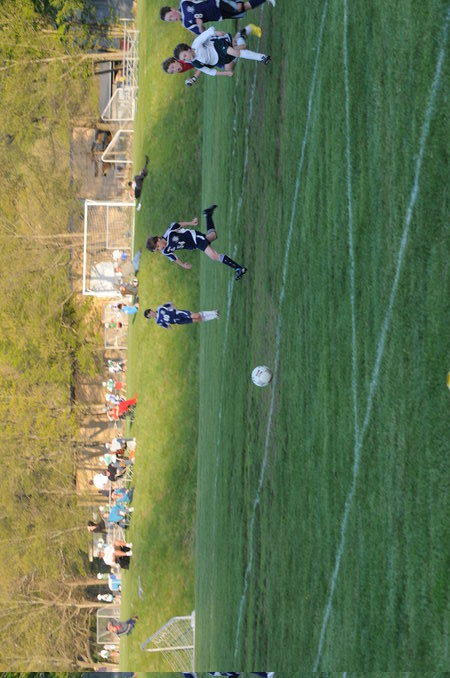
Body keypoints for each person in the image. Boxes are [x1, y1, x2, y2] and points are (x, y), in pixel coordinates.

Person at [146, 204, 247, 281]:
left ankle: (239, 269)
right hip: (194, 245)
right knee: (213, 236)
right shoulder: (165, 251)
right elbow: (174, 258)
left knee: (213, 256)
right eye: (157, 249)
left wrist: (191, 223)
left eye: (158, 246)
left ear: (158, 239)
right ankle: (208, 214)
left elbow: (179, 225)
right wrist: (183, 264)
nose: (160, 249)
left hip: (195, 238)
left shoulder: (170, 233)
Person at [174, 25, 270, 78]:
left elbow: (205, 34)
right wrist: (226, 73)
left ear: (188, 49)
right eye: (184, 59)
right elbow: (209, 71)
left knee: (236, 52)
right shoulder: (196, 64)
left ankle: (262, 57)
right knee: (241, 48)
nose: (186, 59)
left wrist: (215, 32)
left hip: (218, 47)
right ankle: (241, 35)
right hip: (220, 59)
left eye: (185, 55)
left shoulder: (196, 44)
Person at [160, 0, 275, 35]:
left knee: (239, 7)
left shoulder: (184, 3)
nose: (172, 19)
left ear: (172, 9)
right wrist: (200, 25)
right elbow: (203, 33)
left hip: (217, 3)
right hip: (218, 16)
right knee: (243, 8)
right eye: (170, 20)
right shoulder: (186, 24)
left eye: (170, 16)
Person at [144, 303, 219, 329]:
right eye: (149, 316)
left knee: (196, 315)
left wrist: (175, 309)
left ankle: (214, 312)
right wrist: (169, 326)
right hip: (178, 321)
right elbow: (166, 326)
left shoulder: (160, 308)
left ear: (151, 310)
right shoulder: (158, 322)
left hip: (178, 314)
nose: (151, 315)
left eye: (150, 313)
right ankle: (215, 316)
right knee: (197, 319)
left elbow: (170, 304)